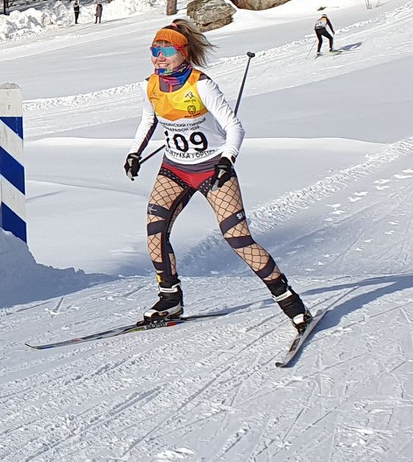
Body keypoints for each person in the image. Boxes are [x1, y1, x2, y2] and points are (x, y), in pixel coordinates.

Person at [124, 18, 313, 334]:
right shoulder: (150, 85)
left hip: (213, 169)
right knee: (155, 231)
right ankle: (170, 299)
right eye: (154, 50)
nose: (158, 56)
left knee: (237, 238)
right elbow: (148, 121)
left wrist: (228, 159)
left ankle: (291, 303)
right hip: (174, 168)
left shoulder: (201, 84)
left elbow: (234, 127)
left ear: (183, 52)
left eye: (166, 50)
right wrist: (134, 153)